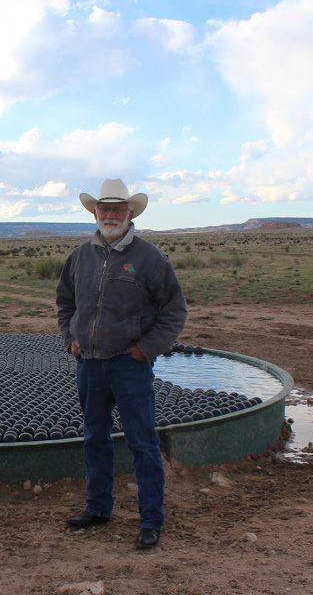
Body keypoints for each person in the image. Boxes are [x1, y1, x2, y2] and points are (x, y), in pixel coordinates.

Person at [56, 178, 187, 550]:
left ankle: (151, 521)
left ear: (130, 214)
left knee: (143, 443)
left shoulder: (149, 258)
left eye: (117, 209)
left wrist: (146, 349)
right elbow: (65, 304)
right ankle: (98, 509)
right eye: (104, 208)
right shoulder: (80, 257)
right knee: (94, 439)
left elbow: (174, 311)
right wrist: (70, 339)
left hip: (129, 366)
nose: (110, 214)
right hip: (90, 365)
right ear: (95, 213)